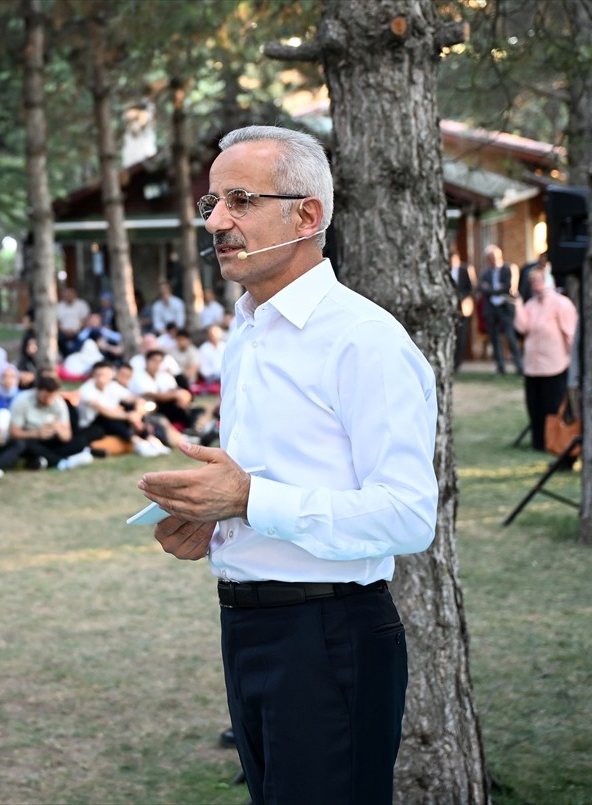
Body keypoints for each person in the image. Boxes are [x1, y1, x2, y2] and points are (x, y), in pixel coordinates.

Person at [137, 125, 437, 805]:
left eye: (240, 199)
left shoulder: (363, 340)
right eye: (211, 203)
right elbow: (274, 477)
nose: (217, 221)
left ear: (307, 214)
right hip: (247, 626)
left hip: (330, 637)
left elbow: (409, 514)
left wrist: (248, 500)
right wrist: (210, 523)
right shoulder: (245, 330)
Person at [513, 265, 578, 453]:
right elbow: (522, 327)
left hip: (555, 365)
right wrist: (517, 304)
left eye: (539, 280)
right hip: (533, 367)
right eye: (532, 282)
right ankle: (538, 442)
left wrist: (572, 363)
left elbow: (570, 335)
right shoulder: (531, 305)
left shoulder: (561, 304)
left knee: (552, 407)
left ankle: (553, 442)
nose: (535, 285)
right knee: (534, 406)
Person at [78, 361, 168, 457]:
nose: (101, 378)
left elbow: (135, 399)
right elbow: (102, 410)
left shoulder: (113, 386)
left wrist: (137, 413)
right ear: (93, 375)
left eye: (104, 374)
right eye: (98, 375)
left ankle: (151, 439)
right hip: (92, 424)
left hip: (114, 419)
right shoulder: (87, 389)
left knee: (131, 408)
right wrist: (128, 416)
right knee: (109, 417)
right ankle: (137, 442)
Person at [478, 244, 524, 375]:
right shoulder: (485, 272)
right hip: (491, 309)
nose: (493, 259)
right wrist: (497, 288)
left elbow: (509, 287)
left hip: (505, 307)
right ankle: (500, 367)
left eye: (494, 256)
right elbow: (482, 289)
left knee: (510, 336)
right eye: (490, 257)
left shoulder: (509, 268)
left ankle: (519, 366)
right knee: (494, 338)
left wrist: (491, 289)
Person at [450, 253, 476, 371]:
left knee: (461, 335)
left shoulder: (465, 270)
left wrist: (464, 299)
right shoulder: (446, 271)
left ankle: (458, 363)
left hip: (463, 308)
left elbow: (472, 288)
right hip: (451, 309)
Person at [55, 286, 91, 358]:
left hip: (79, 331)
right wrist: (64, 331)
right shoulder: (59, 306)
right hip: (63, 332)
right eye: (67, 295)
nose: (69, 296)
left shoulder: (82, 305)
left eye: (70, 294)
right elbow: (56, 322)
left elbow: (87, 319)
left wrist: (77, 329)